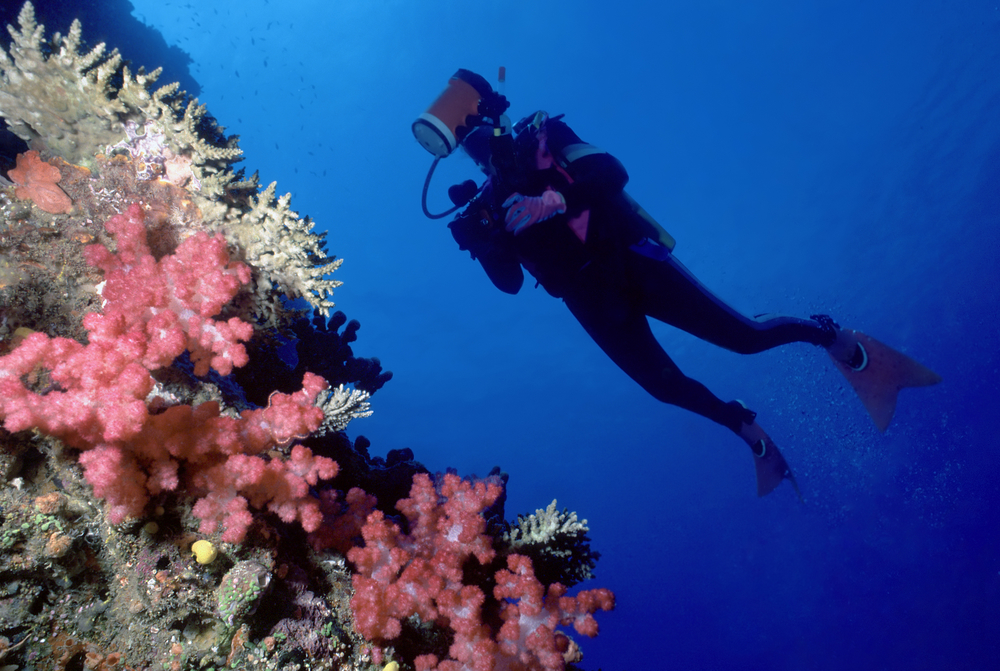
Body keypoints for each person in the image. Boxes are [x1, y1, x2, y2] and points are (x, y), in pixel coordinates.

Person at [430, 72, 940, 498]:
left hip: (630, 257)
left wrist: (558, 201)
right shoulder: (484, 207)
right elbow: (510, 284)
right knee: (662, 386)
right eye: (462, 136)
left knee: (745, 338)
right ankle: (744, 427)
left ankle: (827, 335)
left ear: (490, 110)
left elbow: (612, 173)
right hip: (589, 301)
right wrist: (482, 243)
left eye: (468, 119)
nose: (473, 142)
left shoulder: (542, 137)